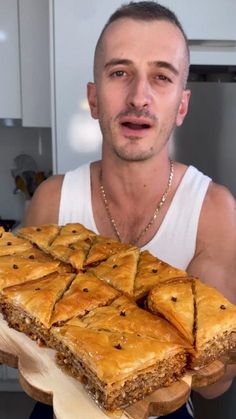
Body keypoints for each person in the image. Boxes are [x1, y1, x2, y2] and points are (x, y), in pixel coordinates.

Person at [25, 2, 236, 418]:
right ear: (94, 99)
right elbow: (28, 347)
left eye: (161, 77)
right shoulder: (52, 202)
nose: (139, 96)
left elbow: (217, 383)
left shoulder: (214, 212)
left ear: (181, 106)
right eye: (119, 73)